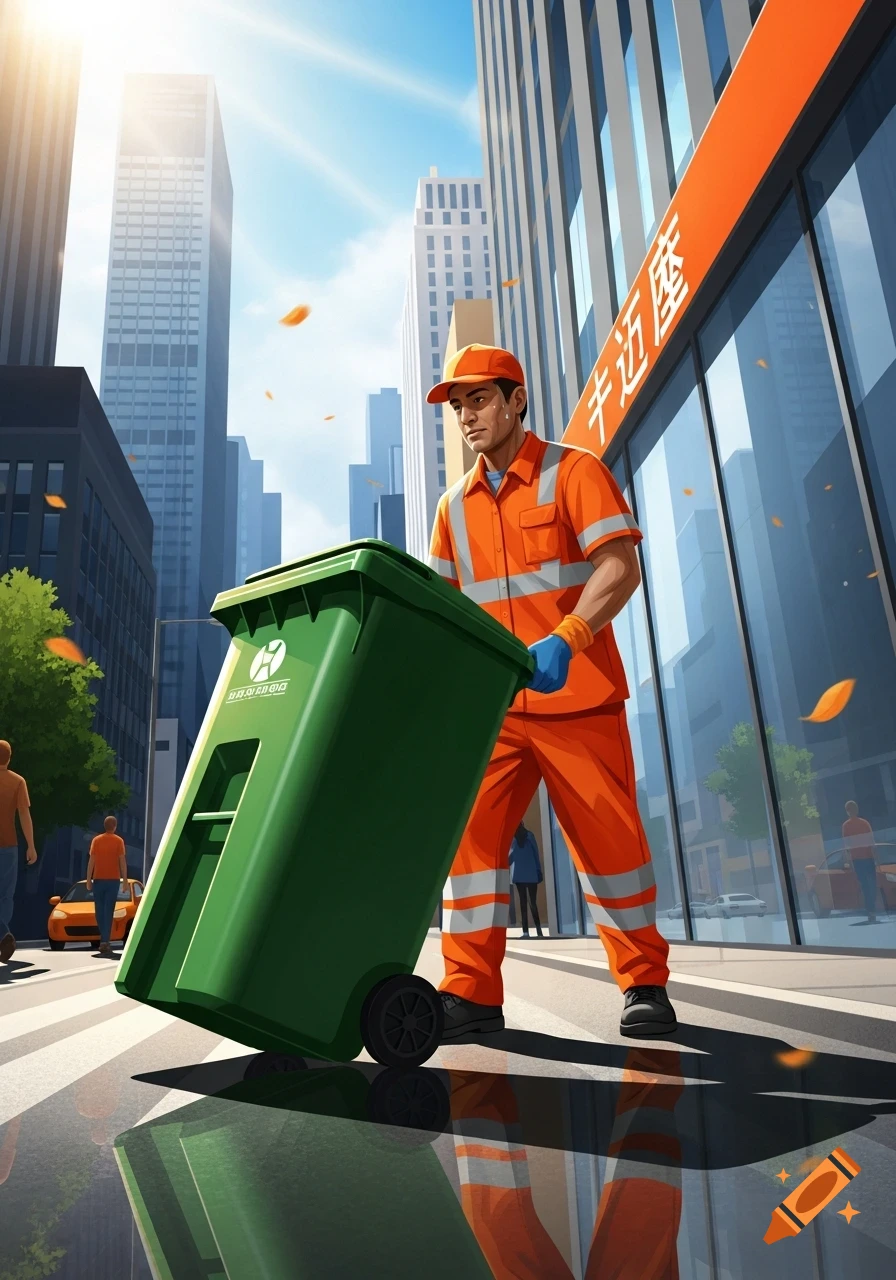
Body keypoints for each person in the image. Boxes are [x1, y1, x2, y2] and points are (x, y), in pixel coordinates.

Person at [428, 344, 676, 1040]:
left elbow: (619, 566)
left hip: (578, 699)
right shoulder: (452, 508)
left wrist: (568, 636)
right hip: (493, 715)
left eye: (479, 399)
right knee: (469, 849)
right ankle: (471, 992)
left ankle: (644, 982)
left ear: (516, 400)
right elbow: (443, 611)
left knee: (609, 844)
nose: (467, 416)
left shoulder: (574, 472)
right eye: (458, 405)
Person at [0, 739, 38, 964]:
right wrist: (31, 845)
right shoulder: (17, 781)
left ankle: (3, 936)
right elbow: (24, 814)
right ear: (9, 757)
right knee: (5, 895)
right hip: (8, 845)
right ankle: (3, 935)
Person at [86, 816, 128, 957]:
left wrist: (88, 879)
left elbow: (91, 861)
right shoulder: (119, 841)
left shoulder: (96, 840)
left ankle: (104, 940)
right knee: (108, 911)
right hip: (113, 881)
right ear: (115, 826)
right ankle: (105, 941)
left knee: (99, 911)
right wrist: (125, 880)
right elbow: (122, 862)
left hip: (98, 879)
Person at [842, 800, 879, 923]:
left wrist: (848, 861)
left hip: (857, 860)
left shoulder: (846, 826)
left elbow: (847, 845)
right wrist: (876, 858)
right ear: (856, 809)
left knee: (865, 885)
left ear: (847, 811)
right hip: (868, 858)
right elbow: (872, 842)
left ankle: (871, 910)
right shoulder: (864, 823)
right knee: (872, 884)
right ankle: (872, 908)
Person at [509, 822, 543, 938]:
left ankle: (525, 932)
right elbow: (536, 854)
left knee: (523, 903)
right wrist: (538, 870)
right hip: (532, 874)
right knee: (532, 903)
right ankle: (539, 931)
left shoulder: (513, 840)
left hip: (519, 876)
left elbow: (510, 859)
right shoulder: (530, 836)